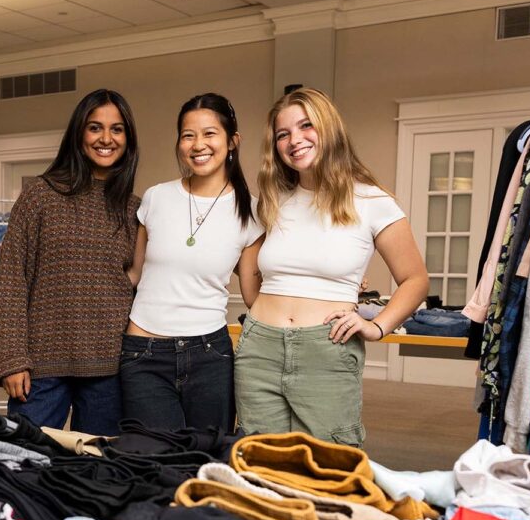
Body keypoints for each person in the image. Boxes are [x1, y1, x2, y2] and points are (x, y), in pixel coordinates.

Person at [234, 88, 428, 446]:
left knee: (328, 465)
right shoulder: (272, 203)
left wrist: (377, 327)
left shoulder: (371, 200)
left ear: (330, 129)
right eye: (283, 134)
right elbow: (250, 270)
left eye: (306, 126)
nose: (295, 140)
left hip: (327, 349)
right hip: (259, 348)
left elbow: (415, 279)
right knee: (259, 461)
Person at [0, 89, 140, 436]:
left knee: (97, 466)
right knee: (23, 460)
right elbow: (12, 278)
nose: (106, 138)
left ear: (127, 140)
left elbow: (138, 285)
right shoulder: (40, 195)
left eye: (117, 129)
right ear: (79, 134)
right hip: (40, 367)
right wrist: (12, 359)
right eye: (95, 128)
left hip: (109, 367)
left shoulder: (133, 208)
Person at [123, 93, 263, 432]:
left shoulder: (251, 212)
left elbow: (254, 295)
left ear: (233, 141)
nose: (198, 144)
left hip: (209, 356)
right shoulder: (156, 197)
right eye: (188, 135)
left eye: (210, 133)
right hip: (144, 353)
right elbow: (134, 276)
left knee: (205, 462)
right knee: (153, 462)